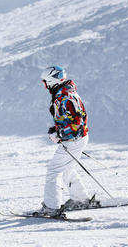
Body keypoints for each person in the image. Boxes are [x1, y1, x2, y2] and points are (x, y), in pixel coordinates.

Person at [38, 66, 100, 217]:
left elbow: (76, 125)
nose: (45, 86)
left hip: (74, 139)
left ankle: (51, 208)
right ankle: (80, 199)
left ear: (53, 81)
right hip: (76, 139)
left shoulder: (66, 97)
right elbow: (69, 119)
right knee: (67, 168)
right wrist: (56, 129)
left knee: (54, 170)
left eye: (46, 82)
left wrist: (59, 134)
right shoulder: (63, 93)